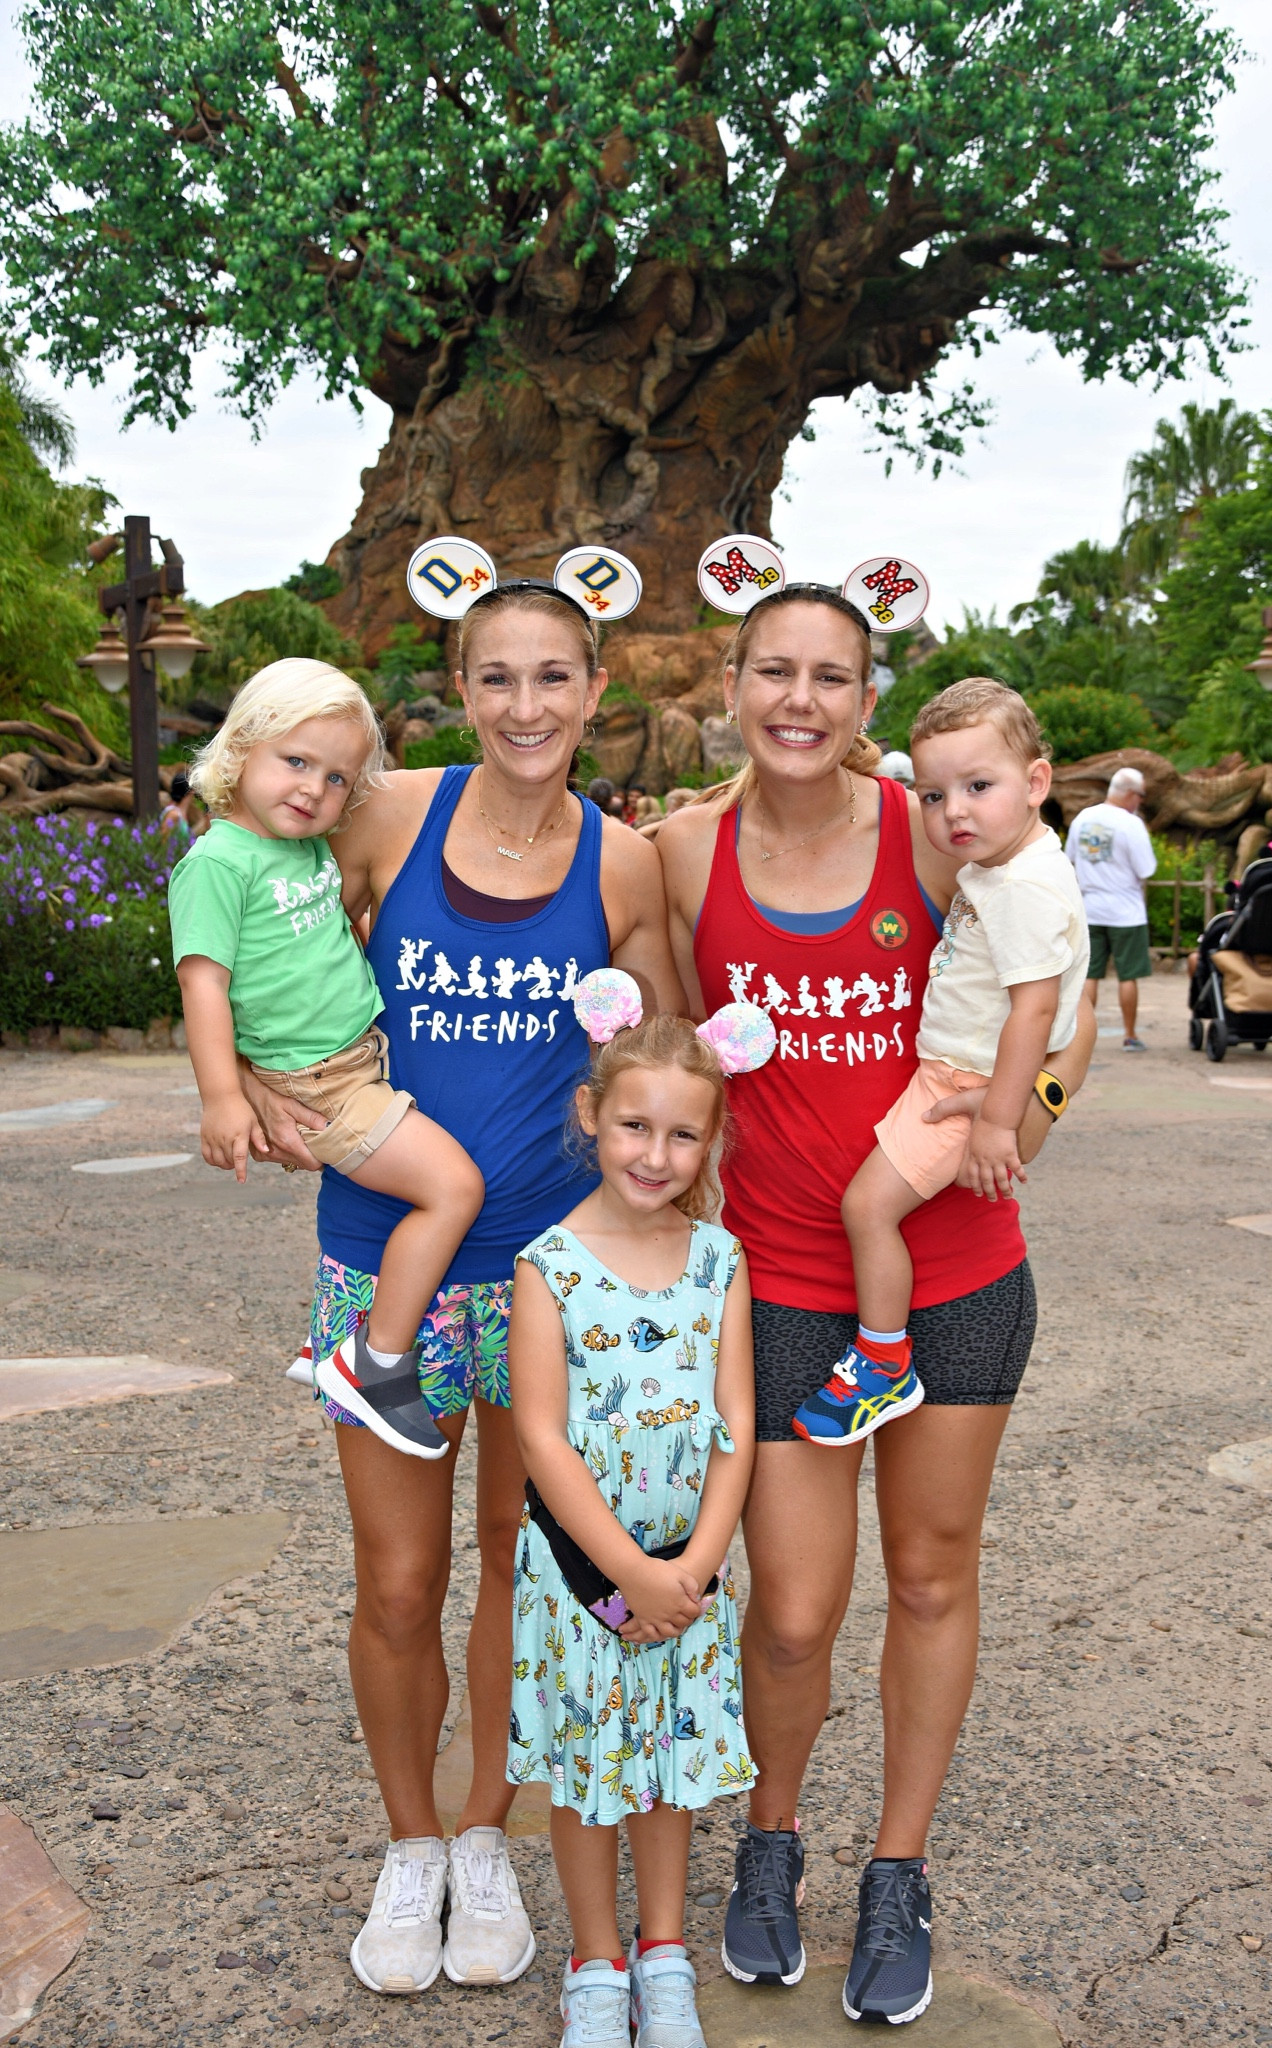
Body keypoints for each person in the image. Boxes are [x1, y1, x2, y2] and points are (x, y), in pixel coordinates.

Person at [233, 589, 683, 2000]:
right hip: (386, 1262)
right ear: (460, 688)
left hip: (549, 1270)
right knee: (397, 1576)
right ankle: (411, 1841)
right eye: (499, 679)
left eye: (554, 678)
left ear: (595, 686)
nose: (527, 707)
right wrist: (245, 1074)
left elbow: (664, 1055)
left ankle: (487, 1831)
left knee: (512, 1567)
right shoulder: (384, 821)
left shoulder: (622, 866)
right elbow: (239, 902)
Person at [658, 582, 1093, 2026]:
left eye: (829, 677)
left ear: (863, 698)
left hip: (958, 1268)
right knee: (787, 1612)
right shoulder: (679, 849)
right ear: (731, 684)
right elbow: (655, 1041)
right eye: (772, 671)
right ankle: (768, 1841)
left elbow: (1058, 998)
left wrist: (1024, 1114)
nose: (799, 699)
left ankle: (895, 1866)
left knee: (928, 1576)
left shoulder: (934, 828)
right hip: (782, 1279)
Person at [510, 975, 767, 2048]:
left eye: (681, 1134)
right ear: (590, 1115)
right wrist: (629, 1569)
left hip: (684, 1572)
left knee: (667, 1766)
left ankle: (663, 1954)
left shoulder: (719, 1259)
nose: (655, 1154)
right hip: (583, 1581)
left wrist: (695, 1566)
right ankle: (597, 1962)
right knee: (587, 1773)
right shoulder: (549, 1265)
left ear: (710, 1141)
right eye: (633, 1126)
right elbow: (541, 1437)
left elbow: (735, 1422)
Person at [171, 660, 484, 1457]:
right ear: (241, 749)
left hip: (354, 1062)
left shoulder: (305, 847)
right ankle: (375, 1361)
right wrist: (224, 1097)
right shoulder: (218, 863)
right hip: (324, 1084)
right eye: (296, 762)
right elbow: (204, 983)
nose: (314, 789)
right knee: (452, 1189)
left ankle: (331, 1349)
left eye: (337, 777)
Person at [794, 680, 1087, 1447]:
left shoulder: (1022, 888)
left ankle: (883, 1359)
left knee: (867, 1208)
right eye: (933, 794)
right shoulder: (1012, 865)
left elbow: (1037, 1010)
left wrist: (999, 1120)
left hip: (962, 1088)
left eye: (978, 787)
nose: (953, 811)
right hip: (956, 1075)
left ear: (1036, 783)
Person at [1066, 765, 1156, 1049]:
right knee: (1127, 976)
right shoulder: (1131, 824)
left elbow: (1069, 859)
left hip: (1089, 908)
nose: (1140, 801)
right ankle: (1130, 1035)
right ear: (1130, 794)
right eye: (1140, 795)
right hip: (1125, 912)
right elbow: (1147, 869)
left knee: (1089, 974)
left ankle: (1082, 1038)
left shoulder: (1084, 818)